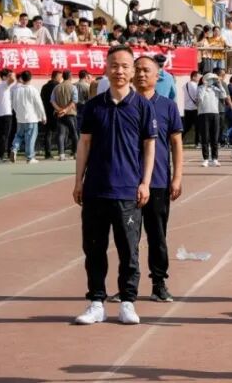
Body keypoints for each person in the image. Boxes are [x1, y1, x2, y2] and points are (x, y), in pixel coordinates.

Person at [72, 46, 156, 326]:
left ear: (132, 71)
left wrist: (145, 182)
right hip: (96, 189)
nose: (119, 71)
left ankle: (128, 303)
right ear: (106, 69)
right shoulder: (94, 106)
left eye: (125, 66)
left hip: (128, 191)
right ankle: (96, 302)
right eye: (114, 65)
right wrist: (78, 181)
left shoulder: (142, 106)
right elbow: (84, 144)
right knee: (94, 249)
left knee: (129, 250)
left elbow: (149, 146)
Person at [104, 55, 183, 304]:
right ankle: (128, 287)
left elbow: (176, 143)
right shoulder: (123, 104)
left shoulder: (167, 106)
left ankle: (159, 284)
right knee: (128, 239)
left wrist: (177, 177)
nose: (140, 74)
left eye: (146, 70)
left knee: (157, 236)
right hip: (127, 183)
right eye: (136, 69)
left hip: (158, 182)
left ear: (158, 76)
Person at [11, 71, 46, 164]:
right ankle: (30, 157)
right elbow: (39, 104)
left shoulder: (16, 90)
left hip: (20, 118)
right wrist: (43, 116)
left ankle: (14, 149)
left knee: (18, 135)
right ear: (31, 78)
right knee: (30, 138)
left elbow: (13, 104)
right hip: (32, 117)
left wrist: (18, 113)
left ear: (21, 78)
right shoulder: (33, 90)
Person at [197, 72, 226, 166]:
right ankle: (205, 159)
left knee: (215, 137)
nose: (211, 81)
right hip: (203, 114)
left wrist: (219, 84)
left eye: (212, 79)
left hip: (215, 114)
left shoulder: (215, 88)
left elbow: (224, 95)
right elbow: (200, 98)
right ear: (204, 80)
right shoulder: (200, 88)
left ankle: (215, 158)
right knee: (205, 137)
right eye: (209, 79)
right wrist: (204, 86)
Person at [0, 69, 16, 163]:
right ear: (4, 77)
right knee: (4, 136)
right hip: (6, 113)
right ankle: (0, 156)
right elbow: (13, 79)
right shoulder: (5, 84)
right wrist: (11, 74)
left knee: (0, 135)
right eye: (8, 75)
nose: (10, 77)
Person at [182, 71, 200, 147]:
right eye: (197, 77)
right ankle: (197, 143)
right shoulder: (195, 86)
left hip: (187, 108)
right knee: (197, 127)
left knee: (186, 127)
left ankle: (179, 139)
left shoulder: (185, 85)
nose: (198, 78)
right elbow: (197, 97)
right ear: (193, 77)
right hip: (194, 109)